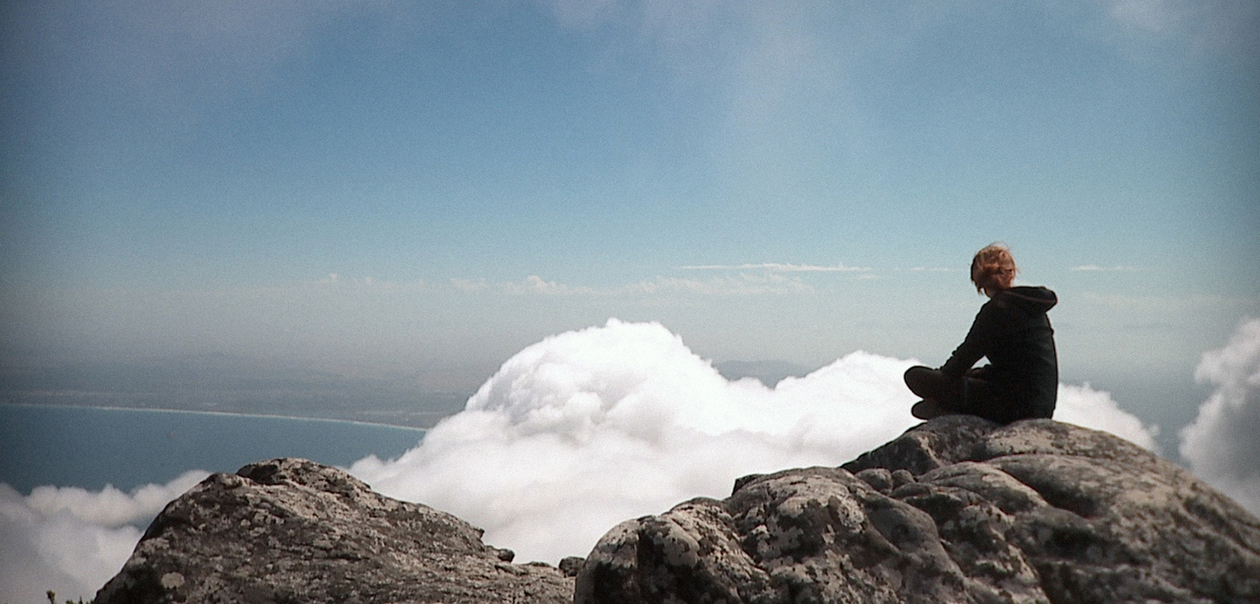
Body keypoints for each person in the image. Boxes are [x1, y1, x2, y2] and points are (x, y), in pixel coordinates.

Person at [904, 243, 1058, 424]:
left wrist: (941, 380)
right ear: (1012, 273)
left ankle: (949, 407)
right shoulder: (1032, 306)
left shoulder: (996, 309)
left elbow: (964, 356)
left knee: (915, 376)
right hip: (1041, 406)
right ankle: (949, 404)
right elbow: (1019, 366)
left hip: (1016, 409)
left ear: (978, 279)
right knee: (974, 374)